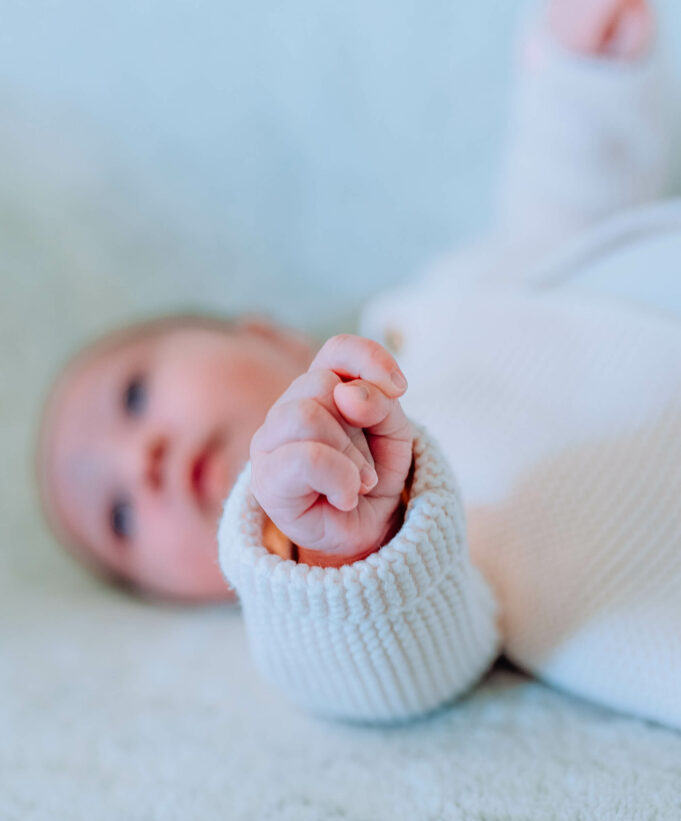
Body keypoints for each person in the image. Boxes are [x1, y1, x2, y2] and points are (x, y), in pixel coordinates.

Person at [39, 0, 681, 727]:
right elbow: (401, 666)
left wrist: (581, 74)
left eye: (134, 397)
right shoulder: (363, 590)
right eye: (119, 518)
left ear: (266, 334)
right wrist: (340, 557)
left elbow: (557, 215)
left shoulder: (433, 304)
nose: (142, 461)